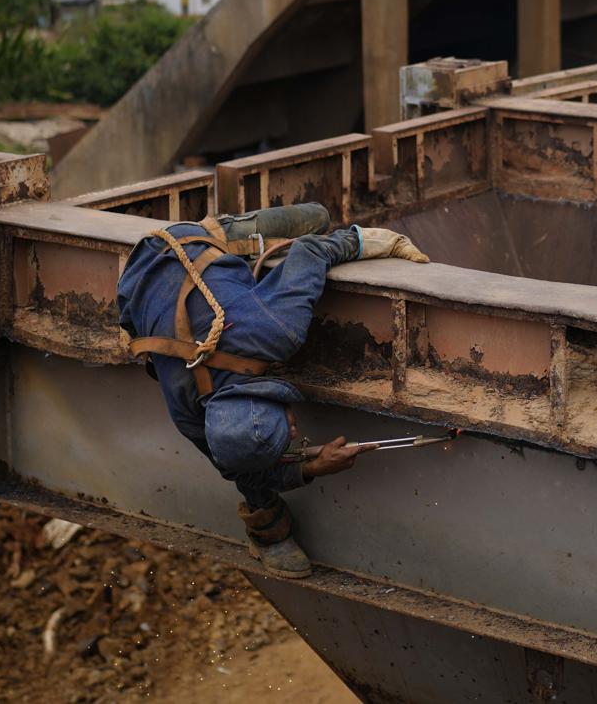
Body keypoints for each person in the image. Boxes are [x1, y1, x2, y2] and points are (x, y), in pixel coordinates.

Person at [115, 207, 430, 576]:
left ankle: (229, 231)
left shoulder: (277, 331)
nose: (296, 432)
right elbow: (235, 466)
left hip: (189, 241)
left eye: (289, 433)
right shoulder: (188, 414)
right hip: (135, 280)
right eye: (291, 436)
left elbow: (312, 250)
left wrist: (372, 240)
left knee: (318, 216)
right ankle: (267, 534)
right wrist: (309, 468)